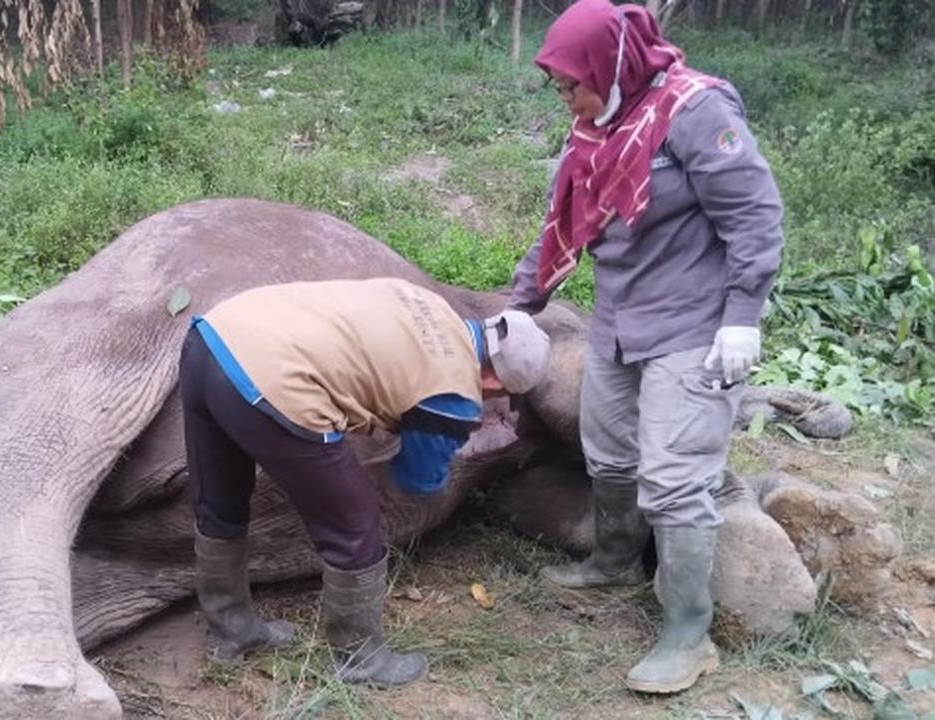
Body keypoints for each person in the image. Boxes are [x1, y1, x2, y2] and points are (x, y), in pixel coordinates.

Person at [505, 0, 784, 695]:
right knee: (609, 452)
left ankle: (690, 632)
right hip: (621, 324)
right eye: (559, 85)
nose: (566, 97)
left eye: (573, 82)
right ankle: (613, 561)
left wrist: (743, 315)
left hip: (693, 327)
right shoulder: (591, 135)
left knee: (673, 475)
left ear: (612, 64)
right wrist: (515, 310)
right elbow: (557, 231)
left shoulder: (695, 112)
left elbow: (754, 213)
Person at [180, 277, 550, 687]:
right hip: (275, 382)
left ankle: (230, 632)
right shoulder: (455, 393)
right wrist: (438, 448)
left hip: (211, 341)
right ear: (498, 383)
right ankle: (361, 661)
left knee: (220, 502)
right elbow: (417, 479)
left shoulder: (430, 304)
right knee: (355, 529)